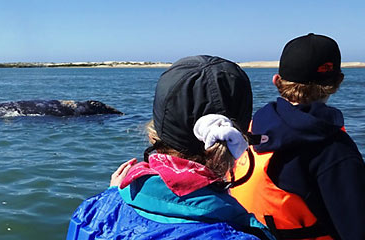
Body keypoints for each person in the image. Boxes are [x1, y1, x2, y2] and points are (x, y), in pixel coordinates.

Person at [67, 55, 275, 240]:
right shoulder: (240, 233)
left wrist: (111, 197)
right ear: (240, 139)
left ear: (153, 133)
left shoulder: (91, 211)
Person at [230, 33, 365, 240]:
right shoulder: (332, 148)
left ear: (277, 80)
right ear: (338, 82)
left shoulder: (251, 128)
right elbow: (361, 231)